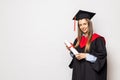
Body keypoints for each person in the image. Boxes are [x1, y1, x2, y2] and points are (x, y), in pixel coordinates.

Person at [66, 10, 107, 80]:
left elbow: (101, 58)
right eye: (80, 25)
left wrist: (86, 56)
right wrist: (71, 50)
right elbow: (75, 57)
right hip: (79, 72)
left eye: (84, 24)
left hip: (91, 74)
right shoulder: (77, 40)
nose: (82, 27)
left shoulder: (98, 39)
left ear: (89, 24)